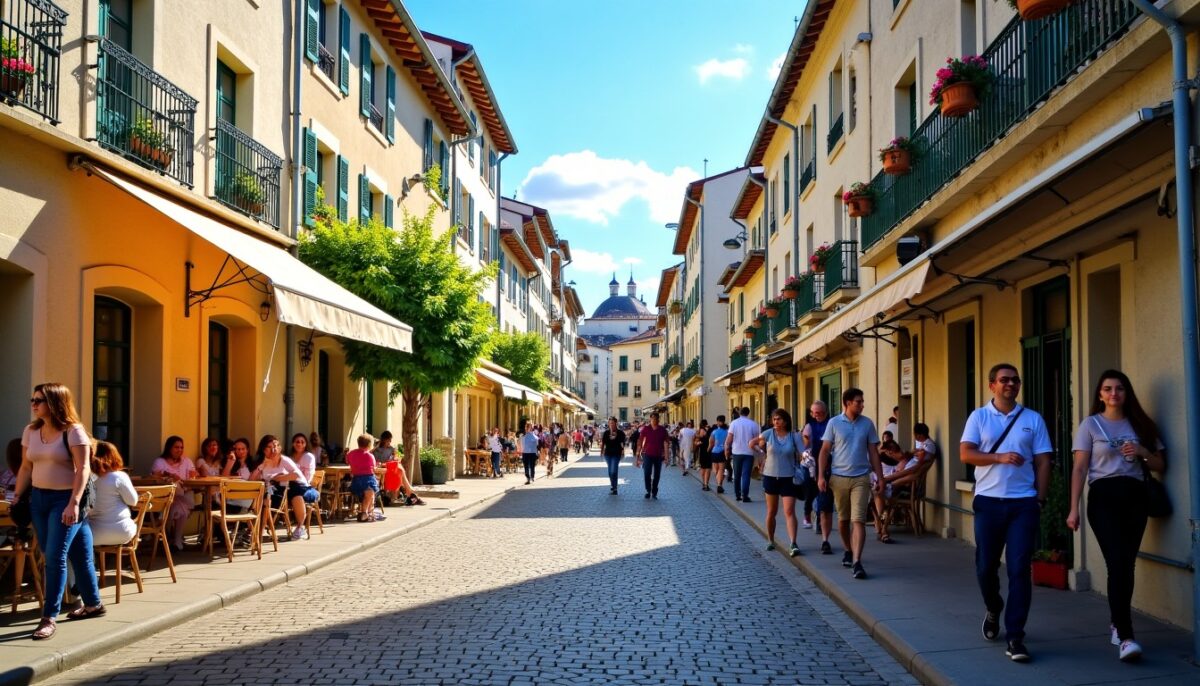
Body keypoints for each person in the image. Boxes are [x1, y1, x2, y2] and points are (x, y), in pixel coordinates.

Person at [1067, 370, 1165, 663]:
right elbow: (1080, 469)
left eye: (1119, 388)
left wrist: (1142, 450)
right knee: (1117, 562)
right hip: (1103, 499)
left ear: (1126, 392)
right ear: (1100, 394)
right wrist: (1073, 507)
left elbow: (1160, 464)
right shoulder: (1090, 425)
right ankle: (1125, 636)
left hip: (1135, 497)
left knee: (1126, 565)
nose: (1114, 393)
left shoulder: (1141, 424)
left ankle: (1116, 622)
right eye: (1108, 388)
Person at [960, 362, 1052, 663]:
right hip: (988, 502)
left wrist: (1039, 499)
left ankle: (1015, 636)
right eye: (1004, 380)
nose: (1011, 384)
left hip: (1023, 504)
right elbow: (966, 453)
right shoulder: (979, 416)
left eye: (1015, 380)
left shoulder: (1032, 419)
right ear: (992, 386)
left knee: (1019, 569)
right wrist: (998, 457)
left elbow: (1043, 461)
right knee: (986, 567)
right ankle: (994, 607)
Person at [14, 383, 103, 640]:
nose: (33, 404)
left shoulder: (73, 431)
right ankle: (93, 604)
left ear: (54, 402)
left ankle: (48, 617)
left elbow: (83, 468)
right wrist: (18, 496)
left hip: (64, 499)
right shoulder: (31, 431)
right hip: (39, 500)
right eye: (32, 399)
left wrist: (74, 503)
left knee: (54, 556)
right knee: (79, 553)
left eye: (39, 400)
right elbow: (25, 468)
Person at [817, 388, 883, 581]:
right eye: (858, 402)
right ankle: (847, 549)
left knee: (859, 520)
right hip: (838, 478)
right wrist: (821, 476)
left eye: (862, 402)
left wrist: (880, 477)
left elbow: (873, 453)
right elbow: (824, 451)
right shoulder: (834, 423)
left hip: (861, 477)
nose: (862, 405)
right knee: (844, 520)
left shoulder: (867, 424)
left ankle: (857, 561)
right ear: (847, 403)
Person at [749, 408, 803, 556]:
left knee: (789, 511)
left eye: (779, 419)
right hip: (770, 477)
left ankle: (793, 543)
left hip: (789, 477)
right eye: (774, 419)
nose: (776, 422)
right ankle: (771, 540)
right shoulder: (768, 434)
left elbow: (802, 452)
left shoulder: (794, 436)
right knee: (772, 511)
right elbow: (752, 443)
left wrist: (805, 457)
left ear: (785, 421)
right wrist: (761, 453)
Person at [250, 434, 319, 540]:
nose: (273, 449)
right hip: (264, 490)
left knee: (271, 500)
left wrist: (277, 478)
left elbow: (297, 475)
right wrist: (261, 466)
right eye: (269, 447)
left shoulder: (284, 460)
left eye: (275, 446)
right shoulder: (261, 461)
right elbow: (251, 480)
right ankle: (254, 531)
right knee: (260, 500)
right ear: (263, 449)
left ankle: (258, 532)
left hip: (285, 489)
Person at [151, 436, 198, 551]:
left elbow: (193, 478)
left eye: (181, 447)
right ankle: (177, 541)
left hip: (184, 495)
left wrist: (192, 477)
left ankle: (163, 525)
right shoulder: (160, 462)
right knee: (180, 510)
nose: (179, 450)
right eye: (176, 447)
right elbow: (155, 477)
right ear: (169, 448)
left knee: (177, 491)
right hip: (165, 498)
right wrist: (170, 476)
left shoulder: (186, 461)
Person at [88, 441, 139, 547]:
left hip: (93, 534)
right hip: (122, 531)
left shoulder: (88, 478)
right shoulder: (119, 476)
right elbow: (133, 501)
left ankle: (95, 561)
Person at [802, 401, 832, 553]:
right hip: (812, 463)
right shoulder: (809, 426)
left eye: (819, 412)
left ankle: (821, 521)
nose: (816, 415)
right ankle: (807, 514)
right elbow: (805, 446)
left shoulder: (831, 423)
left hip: (828, 464)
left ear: (825, 412)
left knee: (823, 495)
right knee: (810, 490)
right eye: (814, 413)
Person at [726, 407, 759, 503]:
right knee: (746, 475)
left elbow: (729, 438)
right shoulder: (753, 424)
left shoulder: (733, 423)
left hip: (736, 452)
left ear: (740, 413)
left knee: (737, 474)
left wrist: (727, 448)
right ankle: (745, 496)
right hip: (749, 452)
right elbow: (757, 439)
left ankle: (737, 494)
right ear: (748, 413)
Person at [346, 434, 383, 522]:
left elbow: (348, 462)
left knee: (370, 495)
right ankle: (365, 512)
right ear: (370, 444)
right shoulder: (370, 456)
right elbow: (373, 468)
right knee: (371, 494)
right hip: (368, 480)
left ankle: (369, 513)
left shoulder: (351, 453)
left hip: (356, 481)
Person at [636, 412, 670, 499]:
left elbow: (666, 444)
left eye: (655, 418)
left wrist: (667, 457)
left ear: (658, 419)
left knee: (657, 475)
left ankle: (654, 491)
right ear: (650, 419)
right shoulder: (646, 429)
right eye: (652, 418)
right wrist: (638, 456)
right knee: (647, 473)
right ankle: (648, 490)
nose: (654, 420)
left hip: (658, 455)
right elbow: (640, 442)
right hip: (647, 454)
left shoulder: (663, 430)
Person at [600, 418, 625, 495]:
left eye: (613, 423)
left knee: (614, 470)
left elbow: (622, 443)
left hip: (616, 454)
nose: (611, 424)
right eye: (610, 423)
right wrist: (601, 452)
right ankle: (613, 486)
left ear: (616, 423)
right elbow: (603, 443)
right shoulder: (606, 433)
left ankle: (615, 487)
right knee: (610, 471)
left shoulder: (620, 433)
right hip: (607, 454)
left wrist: (623, 452)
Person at [707, 416, 728, 493]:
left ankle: (719, 484)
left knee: (716, 470)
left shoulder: (714, 431)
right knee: (721, 470)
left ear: (718, 422)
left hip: (714, 452)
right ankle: (719, 485)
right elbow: (728, 443)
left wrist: (708, 450)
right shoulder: (727, 431)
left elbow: (711, 443)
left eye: (718, 421)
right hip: (722, 452)